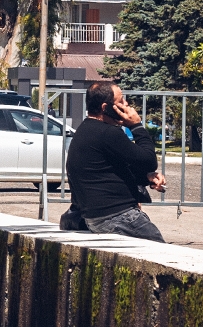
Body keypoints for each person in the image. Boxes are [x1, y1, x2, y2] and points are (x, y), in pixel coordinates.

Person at [65, 80, 167, 242]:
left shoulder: (85, 129)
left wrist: (146, 177)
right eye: (121, 101)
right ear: (105, 108)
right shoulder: (107, 133)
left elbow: (108, 172)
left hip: (99, 216)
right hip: (117, 217)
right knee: (162, 253)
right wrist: (136, 126)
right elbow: (148, 161)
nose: (127, 105)